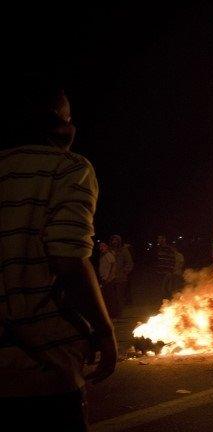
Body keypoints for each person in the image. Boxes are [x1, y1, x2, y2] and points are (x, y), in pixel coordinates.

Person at [0, 81, 116, 430]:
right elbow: (68, 259)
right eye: (69, 118)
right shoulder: (69, 168)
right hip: (44, 370)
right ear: (58, 124)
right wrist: (105, 331)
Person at [98, 242, 120, 319]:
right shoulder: (102, 255)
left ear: (106, 247)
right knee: (107, 298)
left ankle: (114, 314)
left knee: (111, 297)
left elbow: (113, 265)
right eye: (100, 246)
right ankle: (110, 314)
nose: (101, 248)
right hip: (104, 279)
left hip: (109, 280)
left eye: (103, 246)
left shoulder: (108, 255)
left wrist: (109, 277)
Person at [109, 234, 133, 305]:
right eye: (113, 240)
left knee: (119, 296)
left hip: (121, 277)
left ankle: (119, 312)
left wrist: (125, 271)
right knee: (111, 296)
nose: (114, 242)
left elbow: (129, 262)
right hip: (110, 277)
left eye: (116, 240)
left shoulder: (123, 251)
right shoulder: (109, 251)